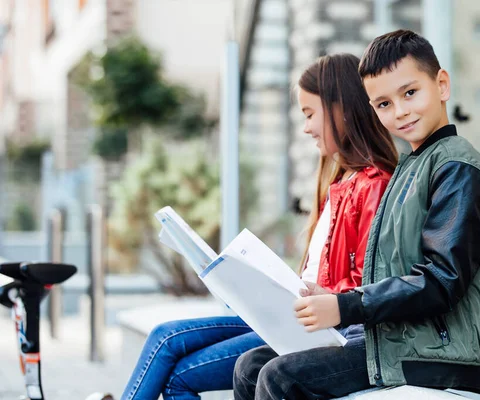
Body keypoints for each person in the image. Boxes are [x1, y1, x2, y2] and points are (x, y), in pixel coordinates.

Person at [233, 29, 480, 400]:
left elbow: (440, 282)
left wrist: (345, 305)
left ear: (442, 85)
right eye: (383, 104)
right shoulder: (410, 168)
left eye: (410, 93)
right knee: (251, 366)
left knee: (280, 377)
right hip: (408, 339)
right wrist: (333, 295)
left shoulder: (458, 170)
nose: (400, 111)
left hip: (449, 350)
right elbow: (394, 275)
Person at [113, 53, 398, 400]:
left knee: (177, 364)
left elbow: (368, 287)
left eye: (310, 114)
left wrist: (314, 296)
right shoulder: (339, 184)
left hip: (311, 324)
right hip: (287, 315)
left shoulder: (374, 186)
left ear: (342, 109)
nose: (306, 128)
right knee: (165, 336)